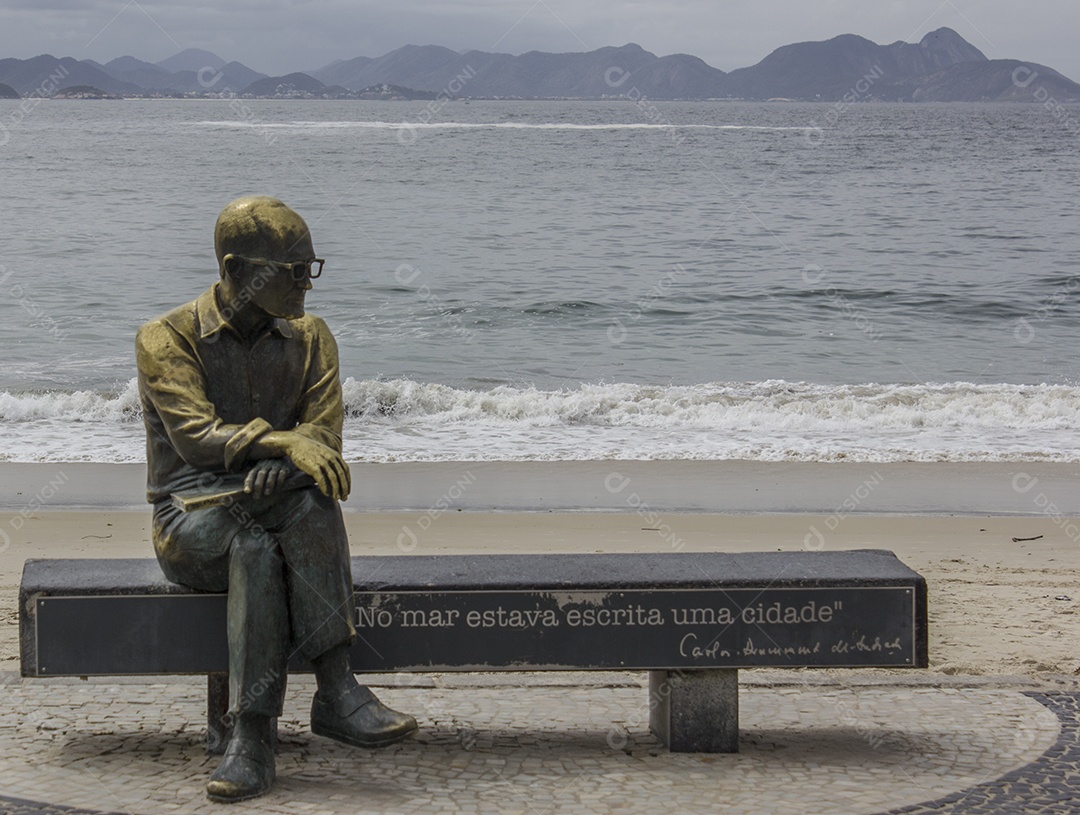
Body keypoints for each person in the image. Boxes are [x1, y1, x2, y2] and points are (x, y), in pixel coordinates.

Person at [136, 195, 417, 803]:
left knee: (288, 522)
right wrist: (280, 446)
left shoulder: (313, 338)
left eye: (310, 268)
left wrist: (282, 463)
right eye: (291, 271)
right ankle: (293, 715)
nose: (305, 285)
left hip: (280, 506)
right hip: (190, 518)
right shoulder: (165, 339)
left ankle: (294, 717)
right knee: (263, 535)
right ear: (237, 272)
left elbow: (325, 440)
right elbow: (196, 440)